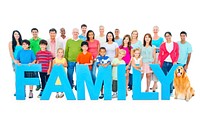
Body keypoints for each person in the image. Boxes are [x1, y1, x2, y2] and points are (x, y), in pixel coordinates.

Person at [8, 30, 23, 96]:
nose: (17, 35)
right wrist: (15, 61)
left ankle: (23, 91)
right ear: (13, 35)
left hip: (22, 62)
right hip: (15, 62)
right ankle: (18, 90)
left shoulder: (22, 42)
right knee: (18, 76)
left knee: (23, 77)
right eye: (15, 34)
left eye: (18, 34)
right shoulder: (11, 43)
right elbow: (11, 54)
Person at [150, 26, 164, 91]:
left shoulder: (161, 39)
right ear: (153, 30)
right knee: (151, 70)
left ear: (158, 30)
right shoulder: (151, 38)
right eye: (154, 29)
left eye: (156, 29)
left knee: (156, 70)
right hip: (151, 55)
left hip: (158, 55)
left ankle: (154, 86)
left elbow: (162, 48)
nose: (155, 30)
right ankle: (156, 85)